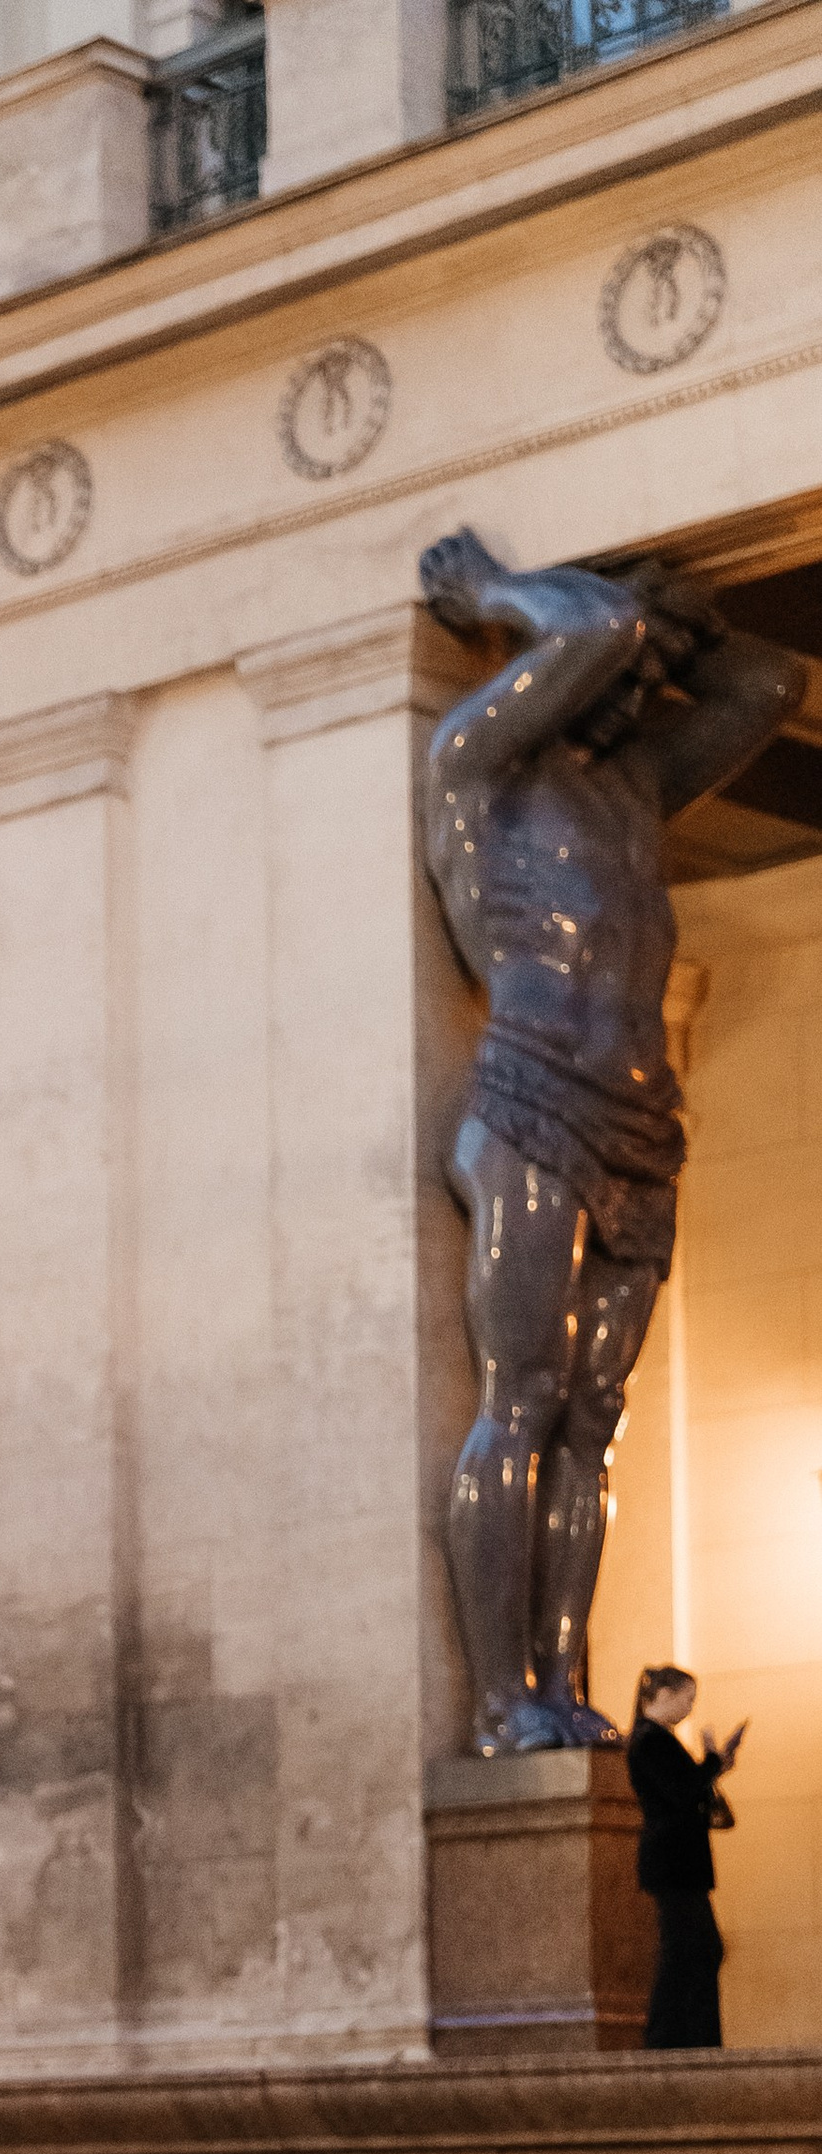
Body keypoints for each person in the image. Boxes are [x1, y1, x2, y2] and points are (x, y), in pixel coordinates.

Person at [417, 533, 798, 1753]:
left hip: (641, 1122)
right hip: (533, 1096)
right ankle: (497, 1699)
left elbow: (770, 685)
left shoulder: (631, 786)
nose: (640, 684)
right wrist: (496, 593)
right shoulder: (478, 763)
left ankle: (559, 1681)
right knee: (520, 1398)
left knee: (594, 1420)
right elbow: (596, 633)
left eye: (653, 670)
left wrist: (687, 626)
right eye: (630, 664)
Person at [627, 1667, 743, 2051]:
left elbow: (684, 1791)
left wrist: (712, 1767)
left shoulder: (657, 1739)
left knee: (700, 1949)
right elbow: (681, 1791)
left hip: (678, 1863)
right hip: (673, 1862)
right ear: (663, 1694)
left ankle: (687, 2039)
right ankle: (673, 2040)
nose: (690, 1707)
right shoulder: (650, 1740)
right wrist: (711, 1762)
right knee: (689, 1950)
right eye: (687, 1698)